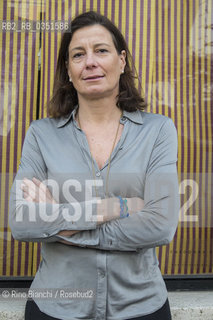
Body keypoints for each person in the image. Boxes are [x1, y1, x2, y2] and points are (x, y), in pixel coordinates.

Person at [9, 11, 180, 320]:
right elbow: (22, 223)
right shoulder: (41, 134)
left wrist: (61, 224)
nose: (90, 62)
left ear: (122, 60)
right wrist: (115, 207)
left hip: (141, 307)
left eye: (101, 50)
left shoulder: (158, 131)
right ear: (68, 69)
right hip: (56, 308)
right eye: (78, 54)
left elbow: (161, 225)